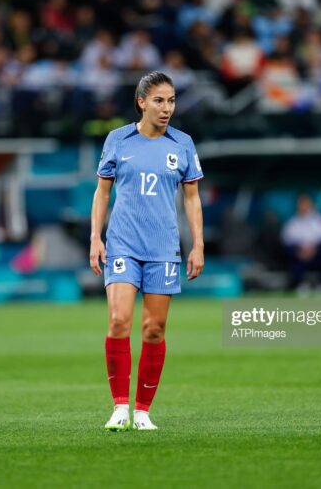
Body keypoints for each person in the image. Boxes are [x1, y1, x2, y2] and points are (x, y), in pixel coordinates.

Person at [89, 71, 204, 431]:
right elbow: (103, 192)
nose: (166, 107)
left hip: (163, 249)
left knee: (154, 329)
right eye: (159, 100)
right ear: (141, 102)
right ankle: (119, 407)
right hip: (123, 242)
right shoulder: (118, 140)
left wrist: (198, 244)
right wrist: (96, 237)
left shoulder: (182, 144)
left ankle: (142, 411)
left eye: (171, 100)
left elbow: (192, 198)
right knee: (119, 320)